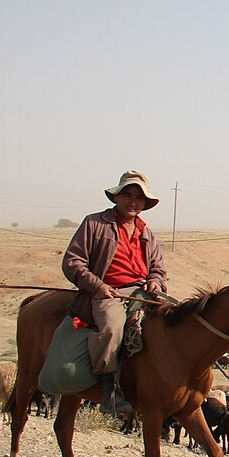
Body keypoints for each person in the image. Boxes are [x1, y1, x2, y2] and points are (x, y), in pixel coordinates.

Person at [62, 171, 167, 415]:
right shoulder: (95, 224)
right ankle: (108, 391)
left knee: (172, 324)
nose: (133, 202)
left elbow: (159, 269)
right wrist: (97, 286)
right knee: (111, 327)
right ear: (116, 197)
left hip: (142, 291)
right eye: (128, 195)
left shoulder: (146, 232)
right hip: (109, 293)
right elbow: (72, 261)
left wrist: (155, 281)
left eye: (139, 199)